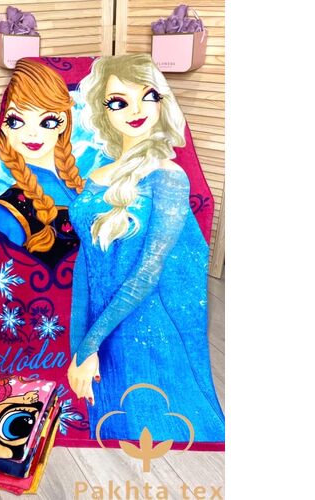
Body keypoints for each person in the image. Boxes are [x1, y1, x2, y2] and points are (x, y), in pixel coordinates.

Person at [66, 54, 225, 443]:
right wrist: (79, 348)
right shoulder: (96, 175)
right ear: (103, 112)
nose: (136, 110)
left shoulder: (168, 177)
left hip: (143, 326)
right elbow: (86, 261)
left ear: (162, 102)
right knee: (106, 420)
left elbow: (148, 272)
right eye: (118, 102)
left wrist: (90, 344)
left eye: (148, 96)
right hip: (100, 321)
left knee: (149, 427)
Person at [0, 59, 86, 267]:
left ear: (62, 123)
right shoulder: (7, 210)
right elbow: (7, 276)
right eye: (15, 121)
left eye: (46, 122)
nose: (31, 133)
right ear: (4, 126)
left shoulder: (82, 184)